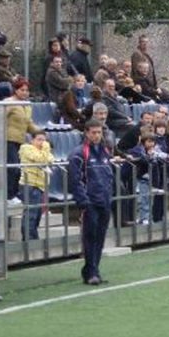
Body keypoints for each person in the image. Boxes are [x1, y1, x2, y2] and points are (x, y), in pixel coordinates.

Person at [68, 120, 115, 285]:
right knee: (90, 237)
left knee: (100, 237)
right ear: (86, 133)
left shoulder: (105, 151)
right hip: (90, 202)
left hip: (105, 200)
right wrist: (83, 201)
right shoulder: (79, 153)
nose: (96, 135)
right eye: (93, 132)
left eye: (99, 132)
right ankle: (91, 271)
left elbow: (108, 176)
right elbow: (75, 180)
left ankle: (94, 269)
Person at [5, 78, 40, 203]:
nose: (25, 92)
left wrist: (40, 133)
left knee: (19, 169)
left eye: (27, 90)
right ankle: (9, 195)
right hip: (8, 140)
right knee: (12, 168)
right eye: (22, 90)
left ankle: (14, 193)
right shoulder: (8, 103)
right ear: (15, 90)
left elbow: (29, 123)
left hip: (20, 141)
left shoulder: (27, 105)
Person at [19, 131, 54, 240]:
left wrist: (45, 152)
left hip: (40, 186)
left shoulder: (43, 151)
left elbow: (51, 159)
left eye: (44, 140)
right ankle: (28, 240)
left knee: (37, 216)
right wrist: (46, 148)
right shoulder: (26, 148)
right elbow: (42, 159)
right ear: (32, 140)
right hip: (29, 185)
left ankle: (33, 239)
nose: (42, 143)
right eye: (39, 139)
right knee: (31, 215)